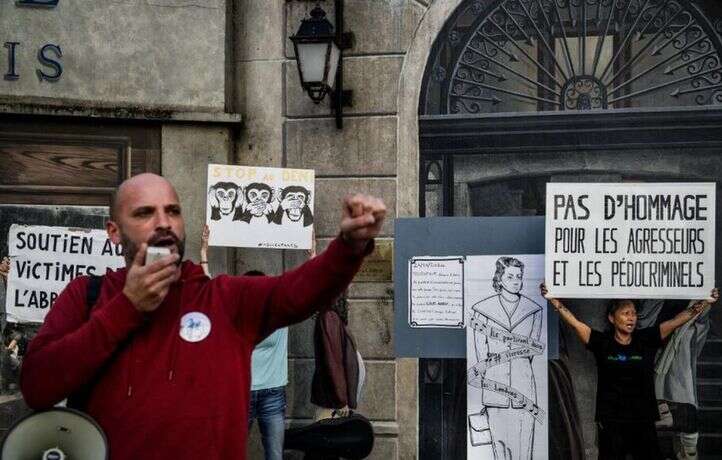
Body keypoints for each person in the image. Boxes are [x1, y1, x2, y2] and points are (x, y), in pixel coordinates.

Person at [19, 173, 386, 460]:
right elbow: (39, 386)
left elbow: (297, 291)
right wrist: (126, 309)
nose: (163, 222)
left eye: (173, 211)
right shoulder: (87, 296)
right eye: (145, 213)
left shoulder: (223, 299)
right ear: (114, 232)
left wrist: (348, 248)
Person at [540, 283, 719, 460]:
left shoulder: (647, 339)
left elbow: (678, 320)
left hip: (643, 422)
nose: (631, 318)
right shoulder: (602, 342)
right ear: (612, 318)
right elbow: (575, 323)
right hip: (611, 424)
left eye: (633, 313)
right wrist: (554, 301)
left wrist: (705, 301)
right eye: (626, 313)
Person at [200, 225, 288, 460]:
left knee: (275, 455)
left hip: (272, 393)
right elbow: (208, 292)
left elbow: (309, 287)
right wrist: (203, 254)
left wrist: (312, 255)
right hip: (242, 394)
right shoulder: (233, 318)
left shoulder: (279, 314)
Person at [470, 256, 544, 460]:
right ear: (500, 278)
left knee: (523, 452)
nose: (516, 281)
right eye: (510, 276)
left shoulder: (534, 311)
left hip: (524, 390)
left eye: (519, 277)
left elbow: (531, 351)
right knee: (499, 451)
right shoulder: (482, 310)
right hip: (495, 393)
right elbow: (480, 354)